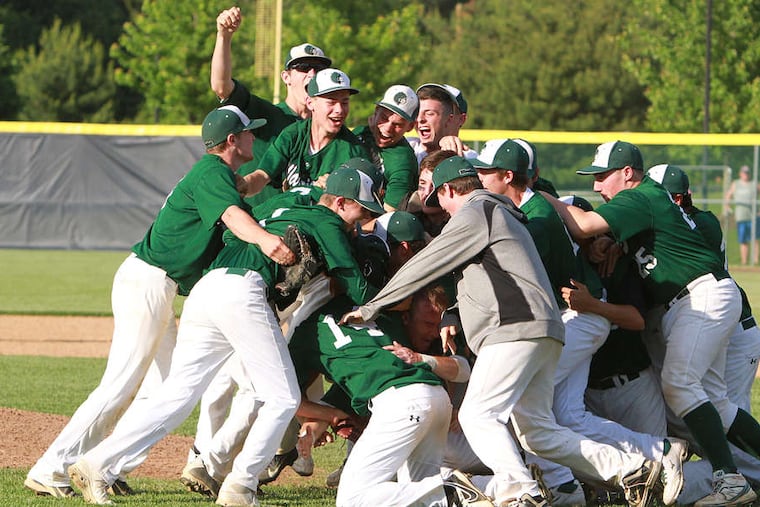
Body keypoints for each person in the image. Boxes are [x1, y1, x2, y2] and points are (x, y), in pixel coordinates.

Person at [341, 155, 670, 507]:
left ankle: (520, 493)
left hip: (515, 329)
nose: (441, 209)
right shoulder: (498, 213)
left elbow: (427, 262)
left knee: (477, 415)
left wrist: (370, 307)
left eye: (440, 198)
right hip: (544, 330)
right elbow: (486, 277)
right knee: (538, 432)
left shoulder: (474, 212)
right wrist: (453, 312)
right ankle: (633, 467)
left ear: (450, 189)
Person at [66, 166, 385, 506]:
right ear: (338, 202)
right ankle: (240, 486)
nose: (361, 221)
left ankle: (97, 464)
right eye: (361, 211)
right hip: (244, 291)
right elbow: (357, 287)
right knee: (283, 398)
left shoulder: (280, 205)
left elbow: (234, 232)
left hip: (209, 286)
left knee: (177, 394)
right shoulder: (328, 222)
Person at [23, 105, 293, 500]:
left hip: (157, 285)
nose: (255, 136)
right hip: (147, 281)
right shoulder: (212, 172)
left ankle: (106, 466)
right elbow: (235, 215)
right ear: (231, 140)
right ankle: (51, 467)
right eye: (249, 132)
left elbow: (246, 191)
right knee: (120, 385)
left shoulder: (219, 175)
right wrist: (268, 241)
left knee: (167, 389)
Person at [545, 141, 760, 507]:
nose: (598, 187)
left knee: (680, 384)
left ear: (627, 172)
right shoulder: (642, 202)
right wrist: (611, 244)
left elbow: (581, 225)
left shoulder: (642, 195)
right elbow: (610, 239)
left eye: (603, 176)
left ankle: (729, 478)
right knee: (715, 404)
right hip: (695, 298)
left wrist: (537, 194)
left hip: (699, 296)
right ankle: (731, 477)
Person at [473, 140, 685, 507]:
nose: (478, 178)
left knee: (522, 407)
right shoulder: (531, 208)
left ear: (509, 176)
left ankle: (553, 484)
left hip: (579, 316)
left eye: (485, 172)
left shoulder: (536, 213)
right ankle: (655, 453)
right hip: (578, 318)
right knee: (565, 413)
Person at [211, 6, 332, 206]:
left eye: (318, 69)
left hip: (301, 227)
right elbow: (221, 87)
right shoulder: (265, 114)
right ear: (286, 77)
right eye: (302, 67)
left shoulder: (328, 131)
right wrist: (224, 37)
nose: (311, 73)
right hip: (255, 224)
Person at [241, 67, 367, 197]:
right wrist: (242, 185)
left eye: (344, 102)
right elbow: (262, 175)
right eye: (331, 102)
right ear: (310, 103)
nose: (339, 110)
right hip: (286, 213)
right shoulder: (293, 134)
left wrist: (332, 192)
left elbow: (353, 209)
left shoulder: (354, 152)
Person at [354, 84, 419, 211]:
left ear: (410, 127)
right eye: (383, 117)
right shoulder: (361, 133)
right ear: (376, 111)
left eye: (398, 124)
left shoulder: (403, 161)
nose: (388, 128)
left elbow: (388, 216)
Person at [409, 83, 476, 163]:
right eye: (417, 113)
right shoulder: (407, 148)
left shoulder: (470, 159)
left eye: (429, 113)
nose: (420, 119)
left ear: (461, 119)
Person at [724, 165, 760, 265]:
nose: (746, 175)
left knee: (755, 238)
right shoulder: (736, 184)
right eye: (744, 173)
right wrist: (727, 206)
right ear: (740, 173)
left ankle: (756, 261)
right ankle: (744, 261)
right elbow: (728, 195)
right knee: (743, 239)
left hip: (753, 216)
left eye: (747, 173)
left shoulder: (754, 184)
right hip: (741, 216)